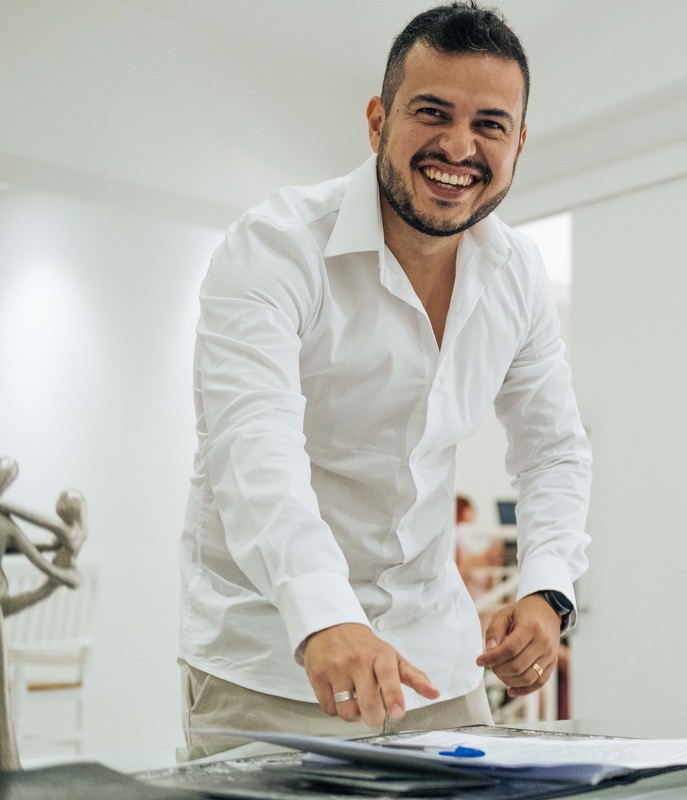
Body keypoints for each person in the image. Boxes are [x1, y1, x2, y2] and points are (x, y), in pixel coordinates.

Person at [178, 2, 591, 759]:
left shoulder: (517, 274)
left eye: (490, 125)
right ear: (378, 122)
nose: (459, 147)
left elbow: (554, 449)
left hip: (440, 664)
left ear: (519, 143)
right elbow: (253, 447)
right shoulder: (273, 248)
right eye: (432, 112)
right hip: (277, 657)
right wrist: (323, 615)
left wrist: (546, 588)